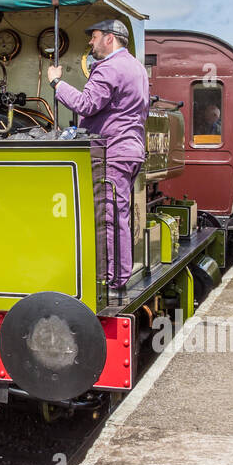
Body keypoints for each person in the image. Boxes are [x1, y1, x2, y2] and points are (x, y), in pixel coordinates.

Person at [47, 18, 149, 288]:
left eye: (93, 36)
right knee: (119, 214)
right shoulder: (136, 67)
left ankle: (110, 279)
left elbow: (86, 104)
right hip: (131, 148)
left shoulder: (110, 68)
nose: (90, 42)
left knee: (108, 217)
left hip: (112, 150)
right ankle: (118, 274)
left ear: (109, 38)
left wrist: (57, 84)